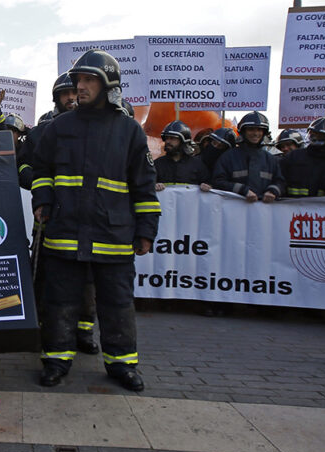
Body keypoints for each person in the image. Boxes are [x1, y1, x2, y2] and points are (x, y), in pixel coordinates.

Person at [32, 50, 159, 391]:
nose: (80, 88)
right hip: (65, 232)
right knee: (59, 300)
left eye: (89, 81)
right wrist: (42, 200)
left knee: (116, 302)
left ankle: (122, 365)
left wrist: (146, 230)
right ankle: (56, 359)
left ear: (108, 85)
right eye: (78, 81)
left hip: (113, 235)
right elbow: (41, 169)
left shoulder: (130, 131)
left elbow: (144, 185)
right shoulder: (60, 127)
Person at [21, 73, 99, 355]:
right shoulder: (41, 133)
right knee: (46, 279)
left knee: (88, 281)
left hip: (87, 222)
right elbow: (24, 167)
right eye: (64, 94)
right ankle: (45, 328)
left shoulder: (96, 129)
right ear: (56, 99)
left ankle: (85, 331)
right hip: (50, 221)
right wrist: (43, 188)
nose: (71, 98)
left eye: (73, 92)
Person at [210, 111, 284, 202]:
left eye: (259, 130)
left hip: (264, 213)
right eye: (251, 129)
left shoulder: (270, 159)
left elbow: (280, 182)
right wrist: (243, 190)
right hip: (235, 210)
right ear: (243, 132)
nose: (256, 133)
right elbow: (218, 182)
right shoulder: (228, 157)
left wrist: (272, 191)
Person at [280, 116, 325, 197]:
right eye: (313, 134)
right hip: (290, 208)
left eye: (320, 136)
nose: (315, 138)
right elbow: (278, 179)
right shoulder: (294, 157)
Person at [155, 120, 209, 189]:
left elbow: (209, 184)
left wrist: (206, 186)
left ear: (183, 141)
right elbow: (146, 184)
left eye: (172, 138)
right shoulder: (157, 164)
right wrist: (154, 185)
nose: (168, 141)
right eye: (166, 138)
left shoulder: (197, 165)